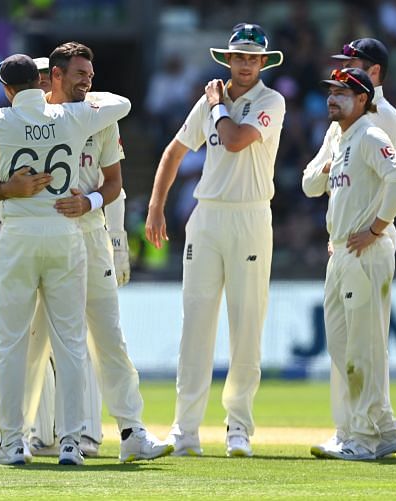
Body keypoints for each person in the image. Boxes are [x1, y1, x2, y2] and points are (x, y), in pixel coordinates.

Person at [0, 42, 169, 463]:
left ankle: (131, 430)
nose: (86, 82)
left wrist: (95, 207)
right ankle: (24, 435)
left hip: (86, 232)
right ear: (51, 78)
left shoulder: (98, 117)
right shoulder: (31, 118)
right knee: (33, 344)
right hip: (44, 234)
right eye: (76, 75)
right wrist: (12, 199)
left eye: (90, 75)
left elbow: (114, 183)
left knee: (107, 336)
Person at [145, 23, 285, 457]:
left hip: (250, 217)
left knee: (246, 324)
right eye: (238, 57)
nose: (244, 64)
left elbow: (237, 140)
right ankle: (184, 429)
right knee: (196, 325)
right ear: (228, 59)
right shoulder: (208, 102)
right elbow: (174, 150)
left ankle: (238, 428)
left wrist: (219, 106)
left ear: (263, 62)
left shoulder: (270, 101)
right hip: (206, 218)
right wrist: (155, 206)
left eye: (252, 58)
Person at [305, 38, 396, 460]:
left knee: (363, 346)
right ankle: (381, 427)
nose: (332, 97)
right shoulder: (341, 133)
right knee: (342, 345)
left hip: (365, 246)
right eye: (331, 90)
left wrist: (375, 228)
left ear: (363, 95)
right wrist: (328, 164)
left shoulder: (373, 127)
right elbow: (310, 183)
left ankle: (363, 438)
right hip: (340, 248)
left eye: (342, 91)